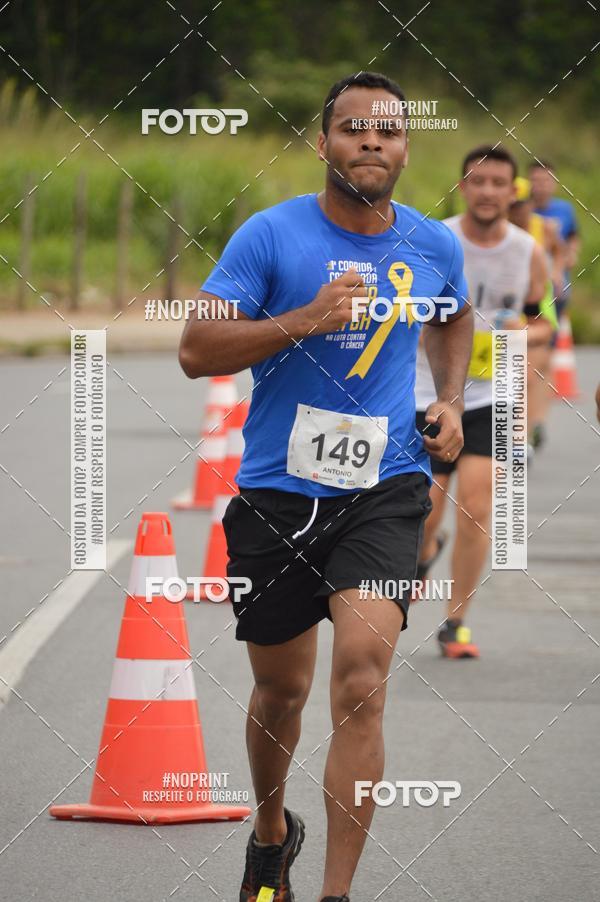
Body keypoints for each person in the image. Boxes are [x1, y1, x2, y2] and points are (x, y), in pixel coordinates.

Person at [179, 71, 473, 902]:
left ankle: (336, 895)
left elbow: (454, 314)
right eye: (353, 129)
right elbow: (197, 350)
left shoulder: (431, 243)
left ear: (406, 147)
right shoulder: (269, 238)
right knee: (283, 689)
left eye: (388, 130)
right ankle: (272, 835)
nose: (371, 142)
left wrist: (447, 398)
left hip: (386, 491)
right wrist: (306, 319)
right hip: (276, 492)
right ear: (324, 142)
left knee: (360, 679)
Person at [414, 146, 553, 659]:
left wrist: (522, 334)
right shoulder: (435, 241)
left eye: (499, 183)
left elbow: (546, 325)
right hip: (425, 393)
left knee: (476, 505)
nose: (488, 191)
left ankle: (456, 623)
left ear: (512, 191)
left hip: (492, 394)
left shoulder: (526, 250)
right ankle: (424, 553)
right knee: (424, 510)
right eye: (478, 181)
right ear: (462, 188)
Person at [509, 177, 562, 451]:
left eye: (521, 205)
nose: (516, 211)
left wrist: (556, 272)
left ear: (531, 204)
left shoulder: (545, 229)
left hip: (540, 302)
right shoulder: (498, 231)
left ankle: (524, 436)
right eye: (511, 205)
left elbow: (560, 253)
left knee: (532, 370)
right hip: (510, 305)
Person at [529, 159, 580, 319]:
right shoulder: (522, 209)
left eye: (546, 180)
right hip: (530, 273)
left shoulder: (565, 209)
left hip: (557, 274)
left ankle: (550, 337)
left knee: (552, 319)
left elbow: (573, 235)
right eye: (536, 181)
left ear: (554, 183)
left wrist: (572, 253)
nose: (541, 185)